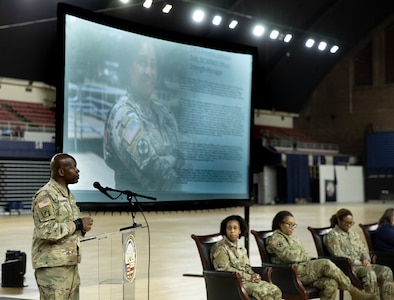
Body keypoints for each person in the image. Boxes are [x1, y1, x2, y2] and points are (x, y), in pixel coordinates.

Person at [104, 39, 185, 191]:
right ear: (129, 68)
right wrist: (172, 161)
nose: (148, 72)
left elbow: (182, 156)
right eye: (141, 63)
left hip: (169, 209)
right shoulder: (123, 114)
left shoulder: (164, 113)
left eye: (153, 65)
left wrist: (169, 160)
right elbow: (153, 171)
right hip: (135, 209)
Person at [266, 210, 377, 300]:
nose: (292, 227)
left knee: (331, 284)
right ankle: (353, 291)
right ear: (279, 224)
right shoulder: (275, 238)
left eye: (293, 224)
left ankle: (354, 292)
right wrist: (305, 257)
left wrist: (305, 257)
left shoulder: (294, 238)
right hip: (290, 273)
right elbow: (290, 257)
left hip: (304, 270)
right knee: (326, 263)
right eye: (289, 224)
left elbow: (302, 255)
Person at [31, 153, 94, 299]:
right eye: (73, 167)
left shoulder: (68, 195)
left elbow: (67, 228)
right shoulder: (46, 195)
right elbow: (45, 231)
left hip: (69, 265)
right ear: (61, 172)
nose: (77, 171)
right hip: (52, 268)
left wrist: (82, 229)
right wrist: (77, 224)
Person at [324, 208, 393, 300]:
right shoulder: (332, 235)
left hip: (363, 265)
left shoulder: (354, 234)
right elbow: (338, 255)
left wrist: (366, 259)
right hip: (348, 267)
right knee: (369, 273)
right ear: (339, 220)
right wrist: (359, 262)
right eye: (346, 223)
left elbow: (363, 250)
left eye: (351, 223)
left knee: (386, 271)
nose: (349, 225)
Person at [210, 215, 282, 300]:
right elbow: (224, 269)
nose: (232, 231)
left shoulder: (240, 247)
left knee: (275, 290)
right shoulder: (220, 248)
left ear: (240, 230)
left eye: (235, 228)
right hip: (233, 283)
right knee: (263, 293)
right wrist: (248, 277)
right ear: (225, 230)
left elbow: (246, 266)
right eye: (229, 228)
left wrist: (253, 275)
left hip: (247, 281)